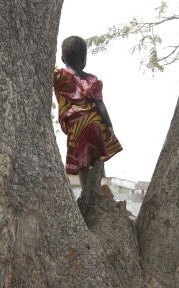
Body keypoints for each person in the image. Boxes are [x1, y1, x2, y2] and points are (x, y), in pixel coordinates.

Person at [54, 35, 122, 211]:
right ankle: (102, 183)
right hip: (95, 122)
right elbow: (100, 104)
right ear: (84, 60)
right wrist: (109, 125)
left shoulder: (60, 76)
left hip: (76, 124)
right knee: (97, 155)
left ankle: (87, 192)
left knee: (83, 163)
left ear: (63, 59)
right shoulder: (92, 80)